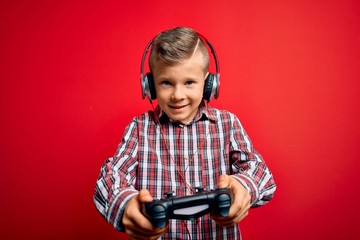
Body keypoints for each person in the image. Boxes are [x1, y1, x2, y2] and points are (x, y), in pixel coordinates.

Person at [94, 27, 276, 240]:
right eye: (166, 83)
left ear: (209, 84)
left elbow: (262, 174)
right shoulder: (139, 128)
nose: (177, 95)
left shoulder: (228, 124)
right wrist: (125, 203)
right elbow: (110, 177)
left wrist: (244, 186)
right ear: (150, 86)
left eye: (189, 82)